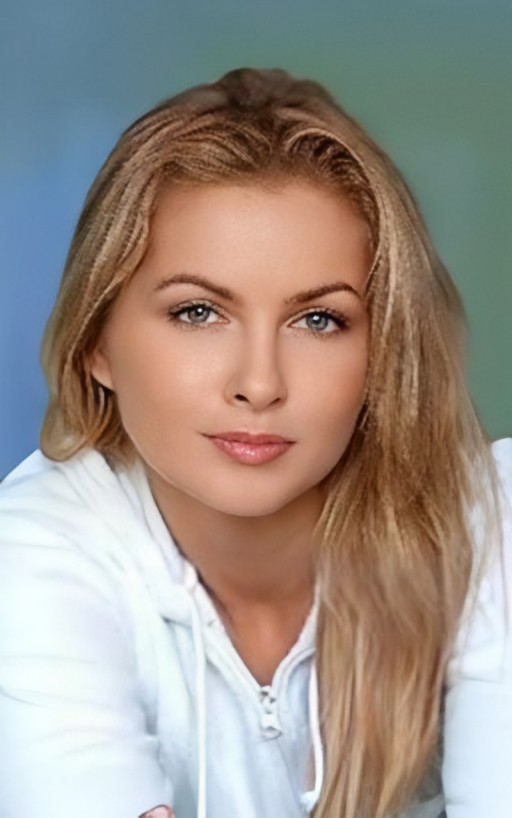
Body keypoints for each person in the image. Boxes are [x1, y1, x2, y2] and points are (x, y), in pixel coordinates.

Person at [0, 67, 510, 818]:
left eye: (319, 320)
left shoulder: (489, 524)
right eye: (199, 312)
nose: (260, 383)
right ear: (96, 343)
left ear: (382, 352)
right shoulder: (33, 557)